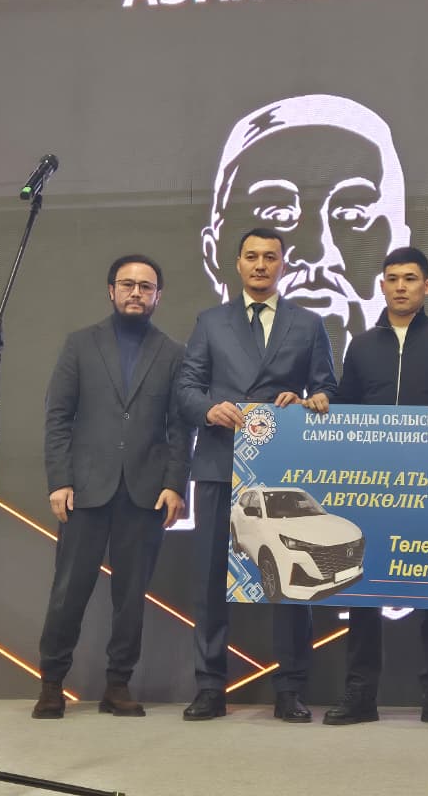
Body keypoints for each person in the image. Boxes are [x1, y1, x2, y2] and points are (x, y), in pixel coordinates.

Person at [323, 247, 428, 729]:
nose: (400, 286)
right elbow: (344, 406)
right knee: (361, 592)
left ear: (427, 286)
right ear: (382, 285)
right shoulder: (361, 346)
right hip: (369, 488)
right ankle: (360, 695)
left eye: (410, 278)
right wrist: (319, 402)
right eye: (393, 278)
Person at [177, 227, 336, 722]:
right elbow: (186, 388)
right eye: (252, 256)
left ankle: (290, 688)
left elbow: (328, 388)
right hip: (219, 463)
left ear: (283, 264)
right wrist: (209, 410)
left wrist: (310, 401)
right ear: (238, 264)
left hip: (282, 470)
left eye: (270, 257)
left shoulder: (308, 324)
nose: (261, 264)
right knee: (210, 581)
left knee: (291, 575)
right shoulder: (210, 321)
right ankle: (210, 687)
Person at [30, 255, 191, 719]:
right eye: (127, 284)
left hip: (145, 492)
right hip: (84, 490)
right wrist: (59, 480)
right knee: (68, 592)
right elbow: (58, 416)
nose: (136, 292)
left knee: (130, 597)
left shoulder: (173, 352)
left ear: (158, 296)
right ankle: (51, 684)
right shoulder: (80, 344)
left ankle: (118, 685)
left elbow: (180, 428)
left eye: (146, 286)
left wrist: (175, 484)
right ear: (111, 290)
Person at [200, 95, 411, 362]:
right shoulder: (202, 348)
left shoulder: (421, 361)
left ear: (399, 247)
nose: (317, 252)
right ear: (214, 253)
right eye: (277, 213)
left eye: (351, 214)